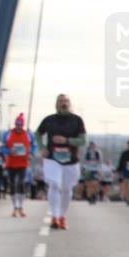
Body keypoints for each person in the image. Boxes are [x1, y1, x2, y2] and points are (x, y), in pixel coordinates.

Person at [35, 93, 87, 230]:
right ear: (57, 104)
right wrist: (42, 147)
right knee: (55, 185)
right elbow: (38, 133)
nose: (63, 103)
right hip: (52, 158)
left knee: (66, 189)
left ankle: (62, 215)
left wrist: (67, 141)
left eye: (66, 101)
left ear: (69, 103)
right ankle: (55, 216)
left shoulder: (77, 120)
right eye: (60, 101)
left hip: (71, 160)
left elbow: (83, 140)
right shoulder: (49, 120)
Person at [3, 113, 34, 217]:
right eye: (17, 124)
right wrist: (9, 151)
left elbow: (34, 146)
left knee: (21, 183)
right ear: (15, 124)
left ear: (23, 125)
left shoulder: (28, 135)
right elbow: (3, 147)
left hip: (23, 163)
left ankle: (21, 207)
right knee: (12, 185)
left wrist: (31, 154)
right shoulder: (8, 134)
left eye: (20, 124)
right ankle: (14, 208)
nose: (18, 126)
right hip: (11, 163)